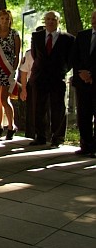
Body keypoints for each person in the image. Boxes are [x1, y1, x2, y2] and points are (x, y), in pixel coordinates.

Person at [29, 11, 75, 148]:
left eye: (53, 19)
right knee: (38, 108)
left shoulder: (68, 39)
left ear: (58, 21)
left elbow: (70, 60)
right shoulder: (36, 36)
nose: (50, 22)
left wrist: (61, 71)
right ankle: (40, 136)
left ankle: (57, 138)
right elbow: (35, 55)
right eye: (47, 19)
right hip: (40, 77)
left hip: (57, 78)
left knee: (58, 108)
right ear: (44, 21)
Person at [0, 9, 21, 140]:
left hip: (8, 70)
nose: (5, 21)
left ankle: (11, 126)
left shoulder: (15, 34)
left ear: (10, 20)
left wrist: (13, 70)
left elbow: (17, 54)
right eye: (2, 19)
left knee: (4, 99)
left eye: (7, 19)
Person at [71, 10, 96, 157]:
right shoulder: (82, 35)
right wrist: (82, 74)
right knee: (83, 115)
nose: (94, 20)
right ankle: (85, 145)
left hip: (95, 81)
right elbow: (75, 57)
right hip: (82, 84)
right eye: (93, 17)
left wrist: (92, 74)